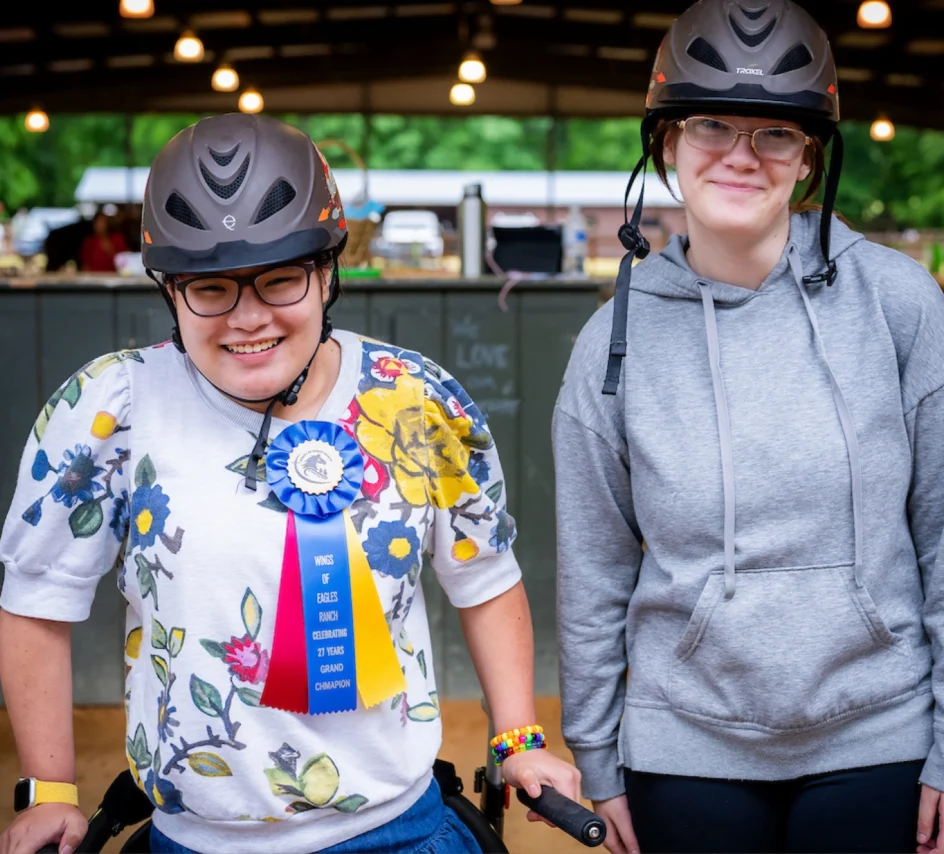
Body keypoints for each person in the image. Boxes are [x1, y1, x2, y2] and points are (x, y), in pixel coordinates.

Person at [0, 113, 579, 854]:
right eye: (210, 289)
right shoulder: (105, 413)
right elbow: (38, 597)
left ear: (329, 270)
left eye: (280, 280)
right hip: (196, 839)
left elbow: (485, 578)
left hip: (397, 829)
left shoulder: (415, 399)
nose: (248, 319)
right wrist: (48, 787)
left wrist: (517, 737)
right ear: (169, 291)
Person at [553, 2, 944, 854]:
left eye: (776, 135)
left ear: (808, 160)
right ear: (667, 146)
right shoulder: (613, 339)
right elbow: (595, 566)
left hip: (878, 730)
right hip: (684, 742)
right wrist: (599, 755)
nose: (741, 155)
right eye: (712, 125)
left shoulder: (896, 304)